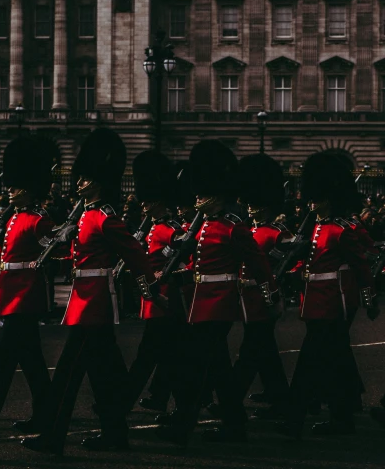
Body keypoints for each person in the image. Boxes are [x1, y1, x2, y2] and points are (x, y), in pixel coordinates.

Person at [22, 127, 160, 456]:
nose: (79, 184)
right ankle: (115, 432)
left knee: (68, 372)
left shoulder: (103, 217)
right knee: (104, 372)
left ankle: (53, 435)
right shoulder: (86, 215)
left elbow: (134, 253)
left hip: (94, 301)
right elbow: (76, 256)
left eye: (84, 179)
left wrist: (150, 286)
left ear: (96, 181)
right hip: (84, 296)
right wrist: (53, 245)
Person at [156, 140, 278, 447]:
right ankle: (235, 426)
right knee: (218, 370)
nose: (197, 198)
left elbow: (259, 263)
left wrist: (270, 293)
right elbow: (197, 264)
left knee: (196, 367)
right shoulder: (202, 226)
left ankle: (182, 424)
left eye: (202, 193)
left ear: (218, 195)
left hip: (220, 303)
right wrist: (173, 273)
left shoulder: (233, 228)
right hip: (198, 302)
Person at [279, 152, 379, 440]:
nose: (311, 202)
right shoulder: (315, 228)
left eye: (317, 197)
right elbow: (310, 262)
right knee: (335, 361)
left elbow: (361, 268)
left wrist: (369, 302)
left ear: (329, 197)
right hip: (315, 302)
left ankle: (293, 418)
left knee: (309, 363)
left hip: (333, 305)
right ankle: (342, 417)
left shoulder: (341, 231)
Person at [0, 137, 55, 438]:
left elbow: (49, 255)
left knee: (4, 363)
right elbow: (4, 259)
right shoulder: (14, 218)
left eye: (15, 187)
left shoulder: (37, 221)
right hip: (11, 295)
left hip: (25, 299)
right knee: (31, 364)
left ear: (27, 189)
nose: (10, 190)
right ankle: (45, 415)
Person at [121, 150, 183, 414]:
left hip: (165, 300)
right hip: (153, 300)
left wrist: (162, 275)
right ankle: (166, 400)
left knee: (146, 357)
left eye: (148, 200)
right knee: (169, 356)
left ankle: (121, 404)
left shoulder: (170, 230)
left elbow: (185, 262)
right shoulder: (154, 228)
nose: (143, 204)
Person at [233, 154, 292, 419]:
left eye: (253, 204)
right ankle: (281, 401)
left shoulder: (277, 233)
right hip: (246, 297)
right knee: (263, 352)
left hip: (263, 299)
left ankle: (230, 399)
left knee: (251, 352)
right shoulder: (249, 230)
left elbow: (283, 268)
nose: (249, 207)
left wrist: (274, 296)